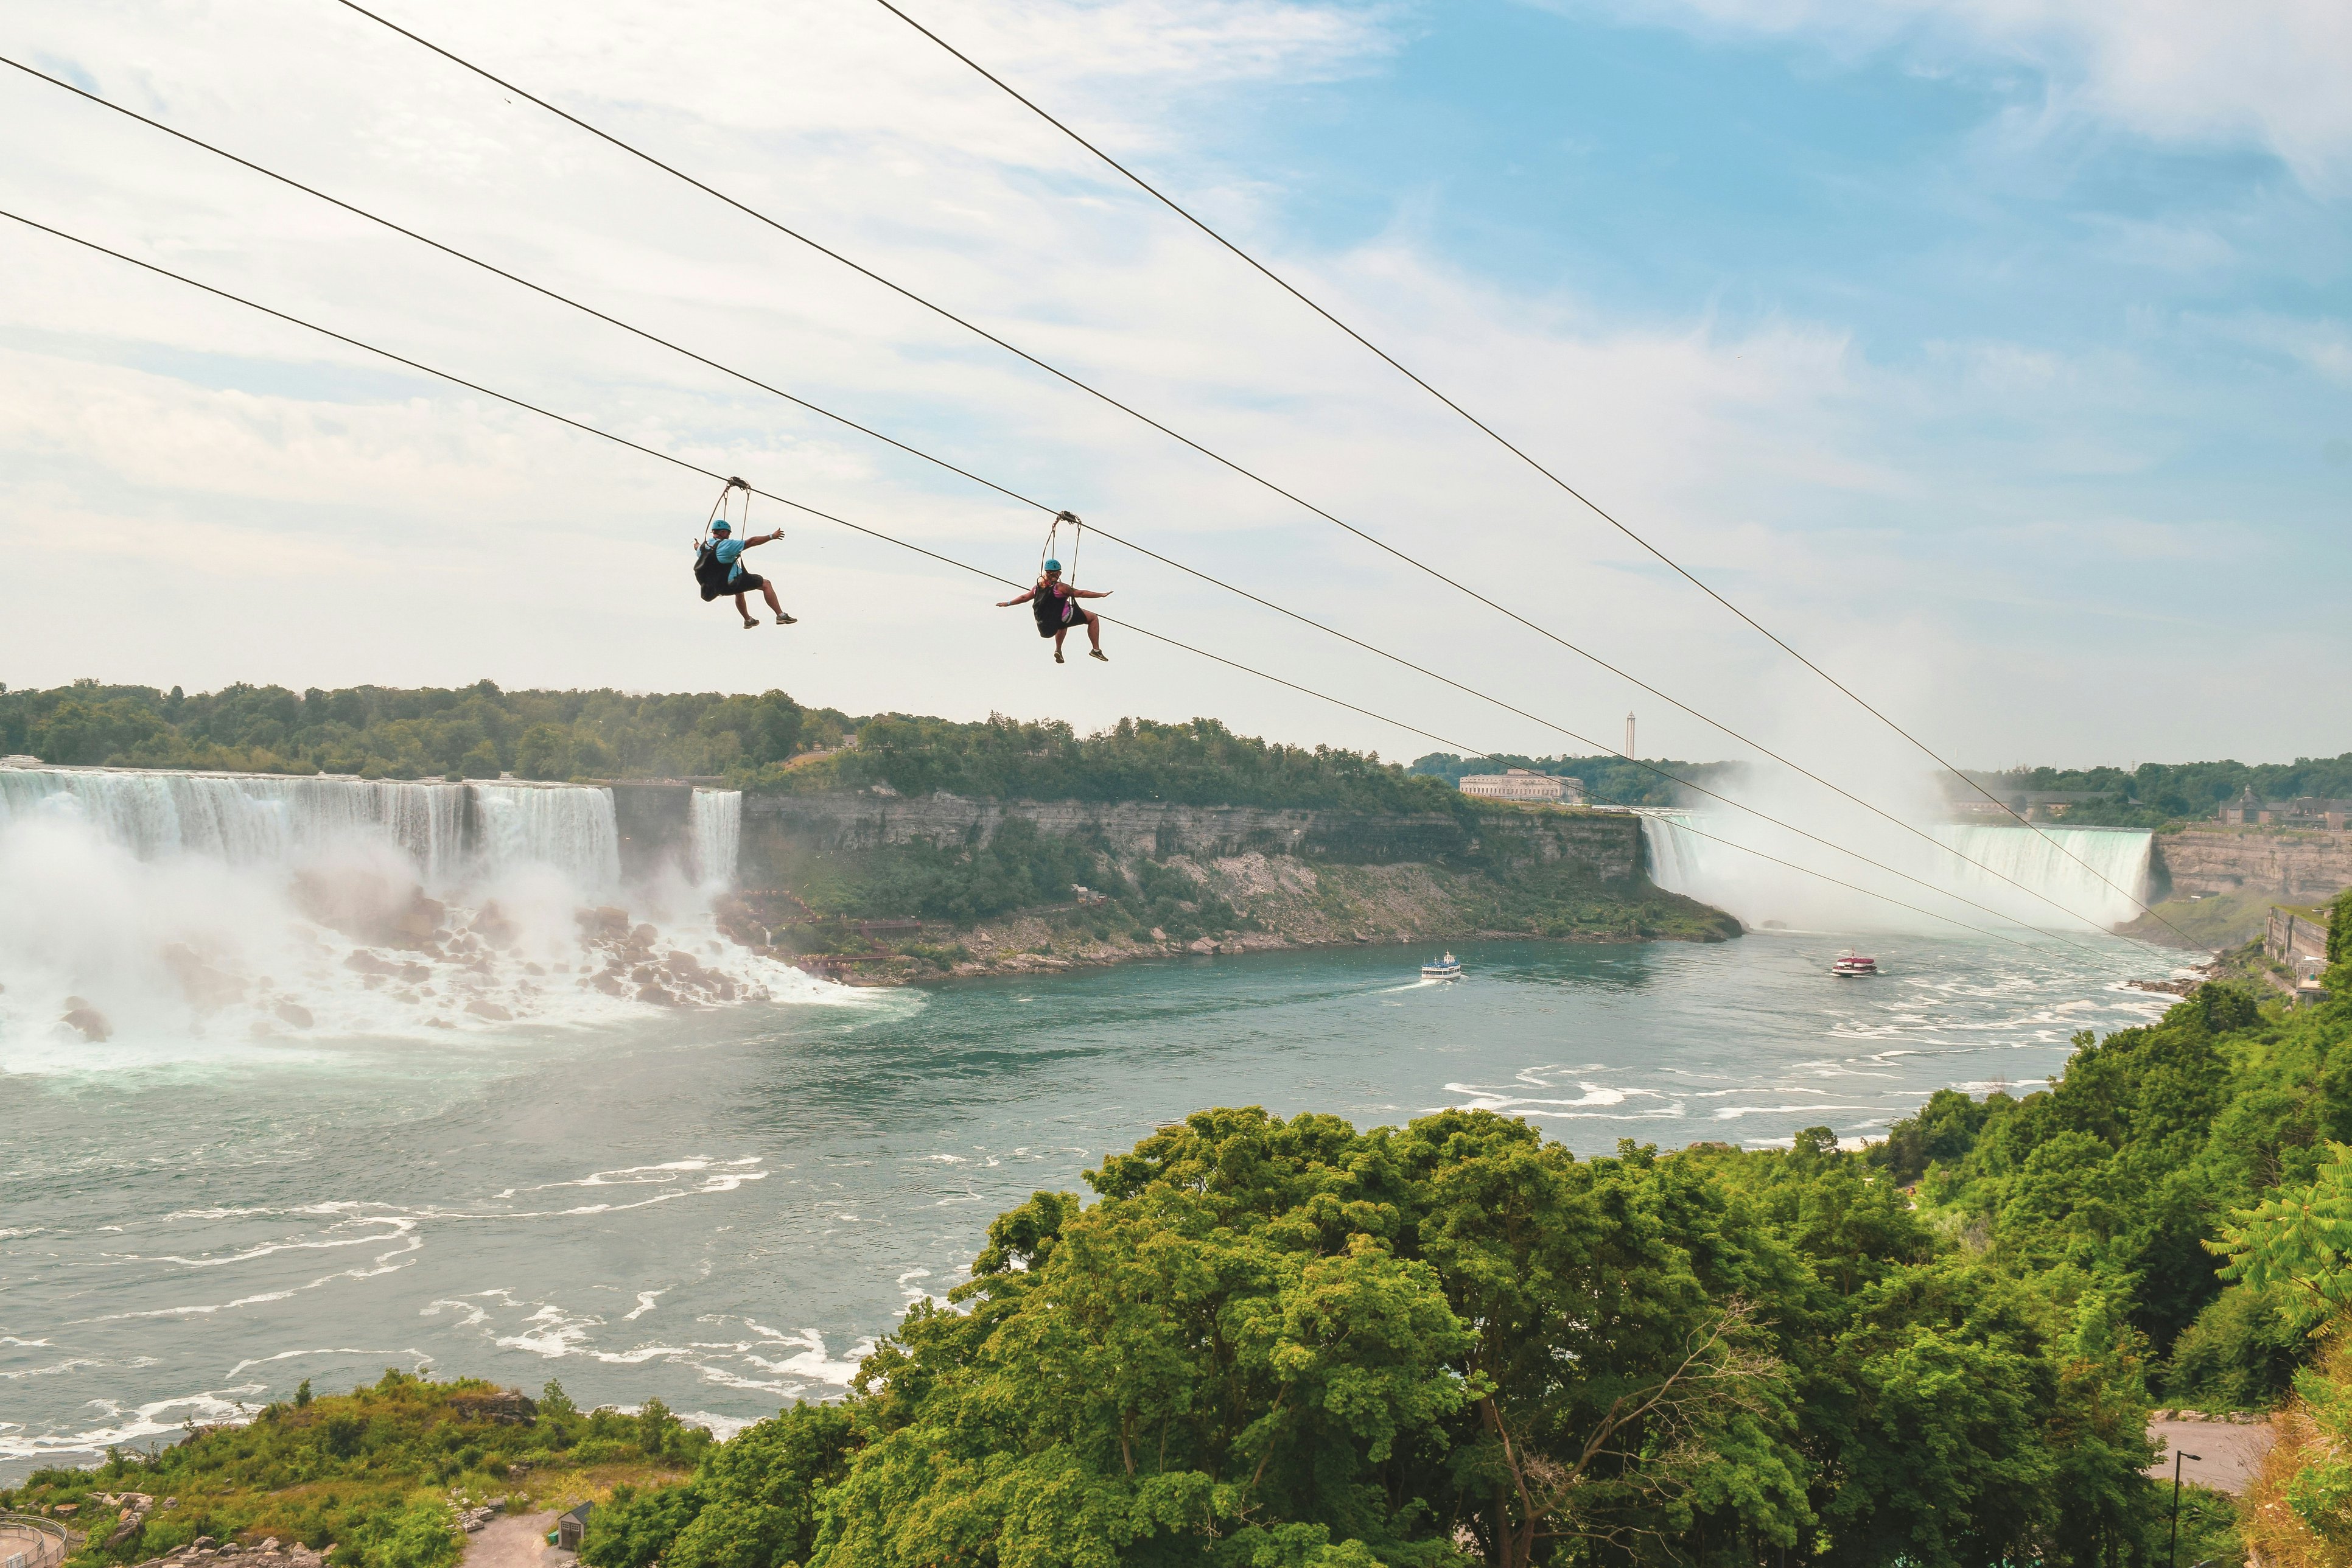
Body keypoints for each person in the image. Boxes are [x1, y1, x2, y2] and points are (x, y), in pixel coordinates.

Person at [997, 560, 1110, 662]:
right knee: (1093, 618)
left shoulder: (1037, 587)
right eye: (1059, 572)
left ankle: (1059, 650)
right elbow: (1080, 594)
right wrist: (1101, 595)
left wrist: (1007, 603)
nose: (1060, 574)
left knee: (1063, 625)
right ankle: (1096, 650)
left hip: (1050, 621)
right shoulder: (1060, 587)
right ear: (1057, 573)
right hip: (1063, 617)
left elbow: (1024, 598)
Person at [693, 519, 796, 629]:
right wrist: (772, 536)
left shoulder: (702, 547)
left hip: (717, 587)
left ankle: (748, 620)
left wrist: (696, 543)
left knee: (740, 591)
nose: (728, 535)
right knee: (766, 584)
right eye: (728, 533)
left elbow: (696, 547)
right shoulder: (727, 545)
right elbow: (752, 541)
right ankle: (781, 615)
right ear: (723, 532)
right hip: (731, 584)